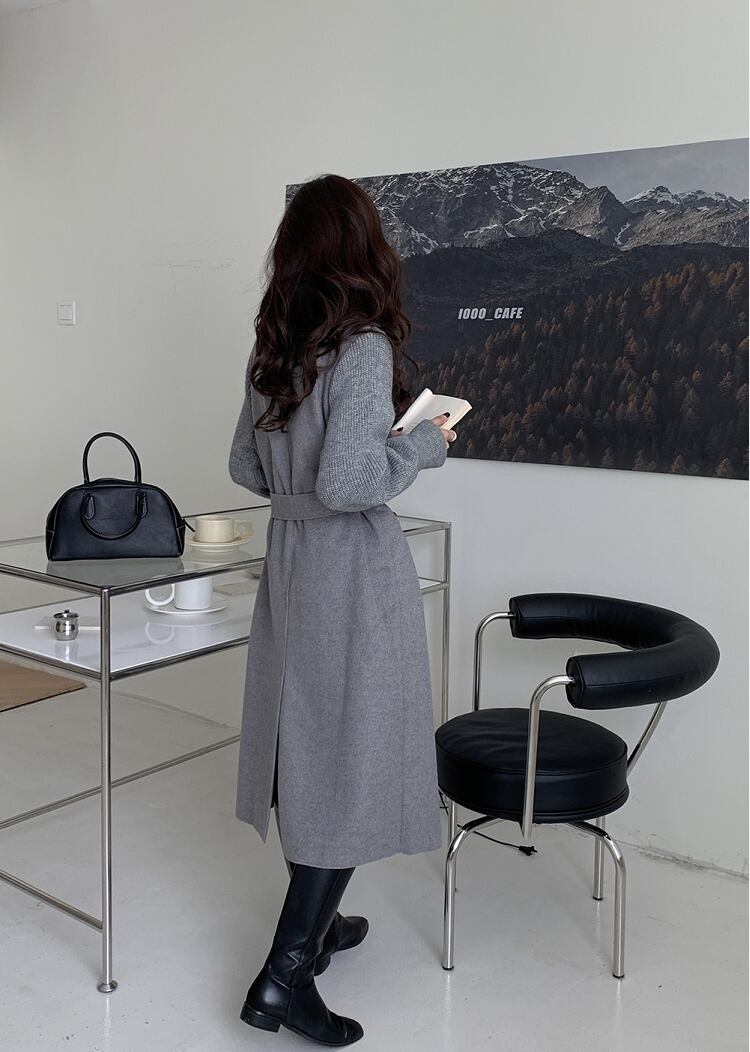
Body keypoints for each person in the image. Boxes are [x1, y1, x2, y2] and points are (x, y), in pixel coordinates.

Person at [228, 173, 456, 1047]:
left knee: (311, 749)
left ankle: (318, 929)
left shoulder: (275, 349)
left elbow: (246, 468)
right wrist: (423, 446)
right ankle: (285, 974)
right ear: (365, 246)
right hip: (354, 574)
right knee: (354, 754)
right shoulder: (359, 347)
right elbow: (354, 483)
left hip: (292, 566)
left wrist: (310, 477)